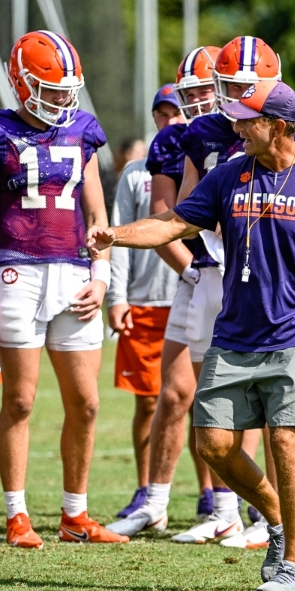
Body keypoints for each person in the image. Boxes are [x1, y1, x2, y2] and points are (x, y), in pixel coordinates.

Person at [88, 79, 295, 591]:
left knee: (286, 440)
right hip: (236, 330)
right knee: (213, 444)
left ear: (280, 126)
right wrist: (117, 235)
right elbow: (174, 223)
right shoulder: (227, 177)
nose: (237, 127)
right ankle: (282, 517)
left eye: (248, 120)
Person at [107, 37, 295, 549]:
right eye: (226, 87)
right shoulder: (201, 132)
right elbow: (184, 209)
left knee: (275, 411)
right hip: (209, 270)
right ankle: (218, 508)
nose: (230, 98)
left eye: (243, 89)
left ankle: (269, 516)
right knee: (203, 400)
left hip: (270, 281)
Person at [0, 30, 126, 548]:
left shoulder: (82, 130)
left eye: (67, 90)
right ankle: (16, 514)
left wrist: (102, 275)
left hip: (74, 271)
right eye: (50, 90)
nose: (61, 100)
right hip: (17, 272)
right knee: (21, 400)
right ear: (21, 84)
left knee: (87, 403)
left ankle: (76, 514)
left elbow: (97, 215)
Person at [108, 83, 183, 518]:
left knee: (193, 401)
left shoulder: (202, 163)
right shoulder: (136, 172)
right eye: (164, 113)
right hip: (144, 301)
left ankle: (212, 493)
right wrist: (117, 298)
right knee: (148, 401)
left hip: (188, 296)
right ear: (154, 117)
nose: (171, 120)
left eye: (178, 112)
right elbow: (118, 238)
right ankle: (145, 488)